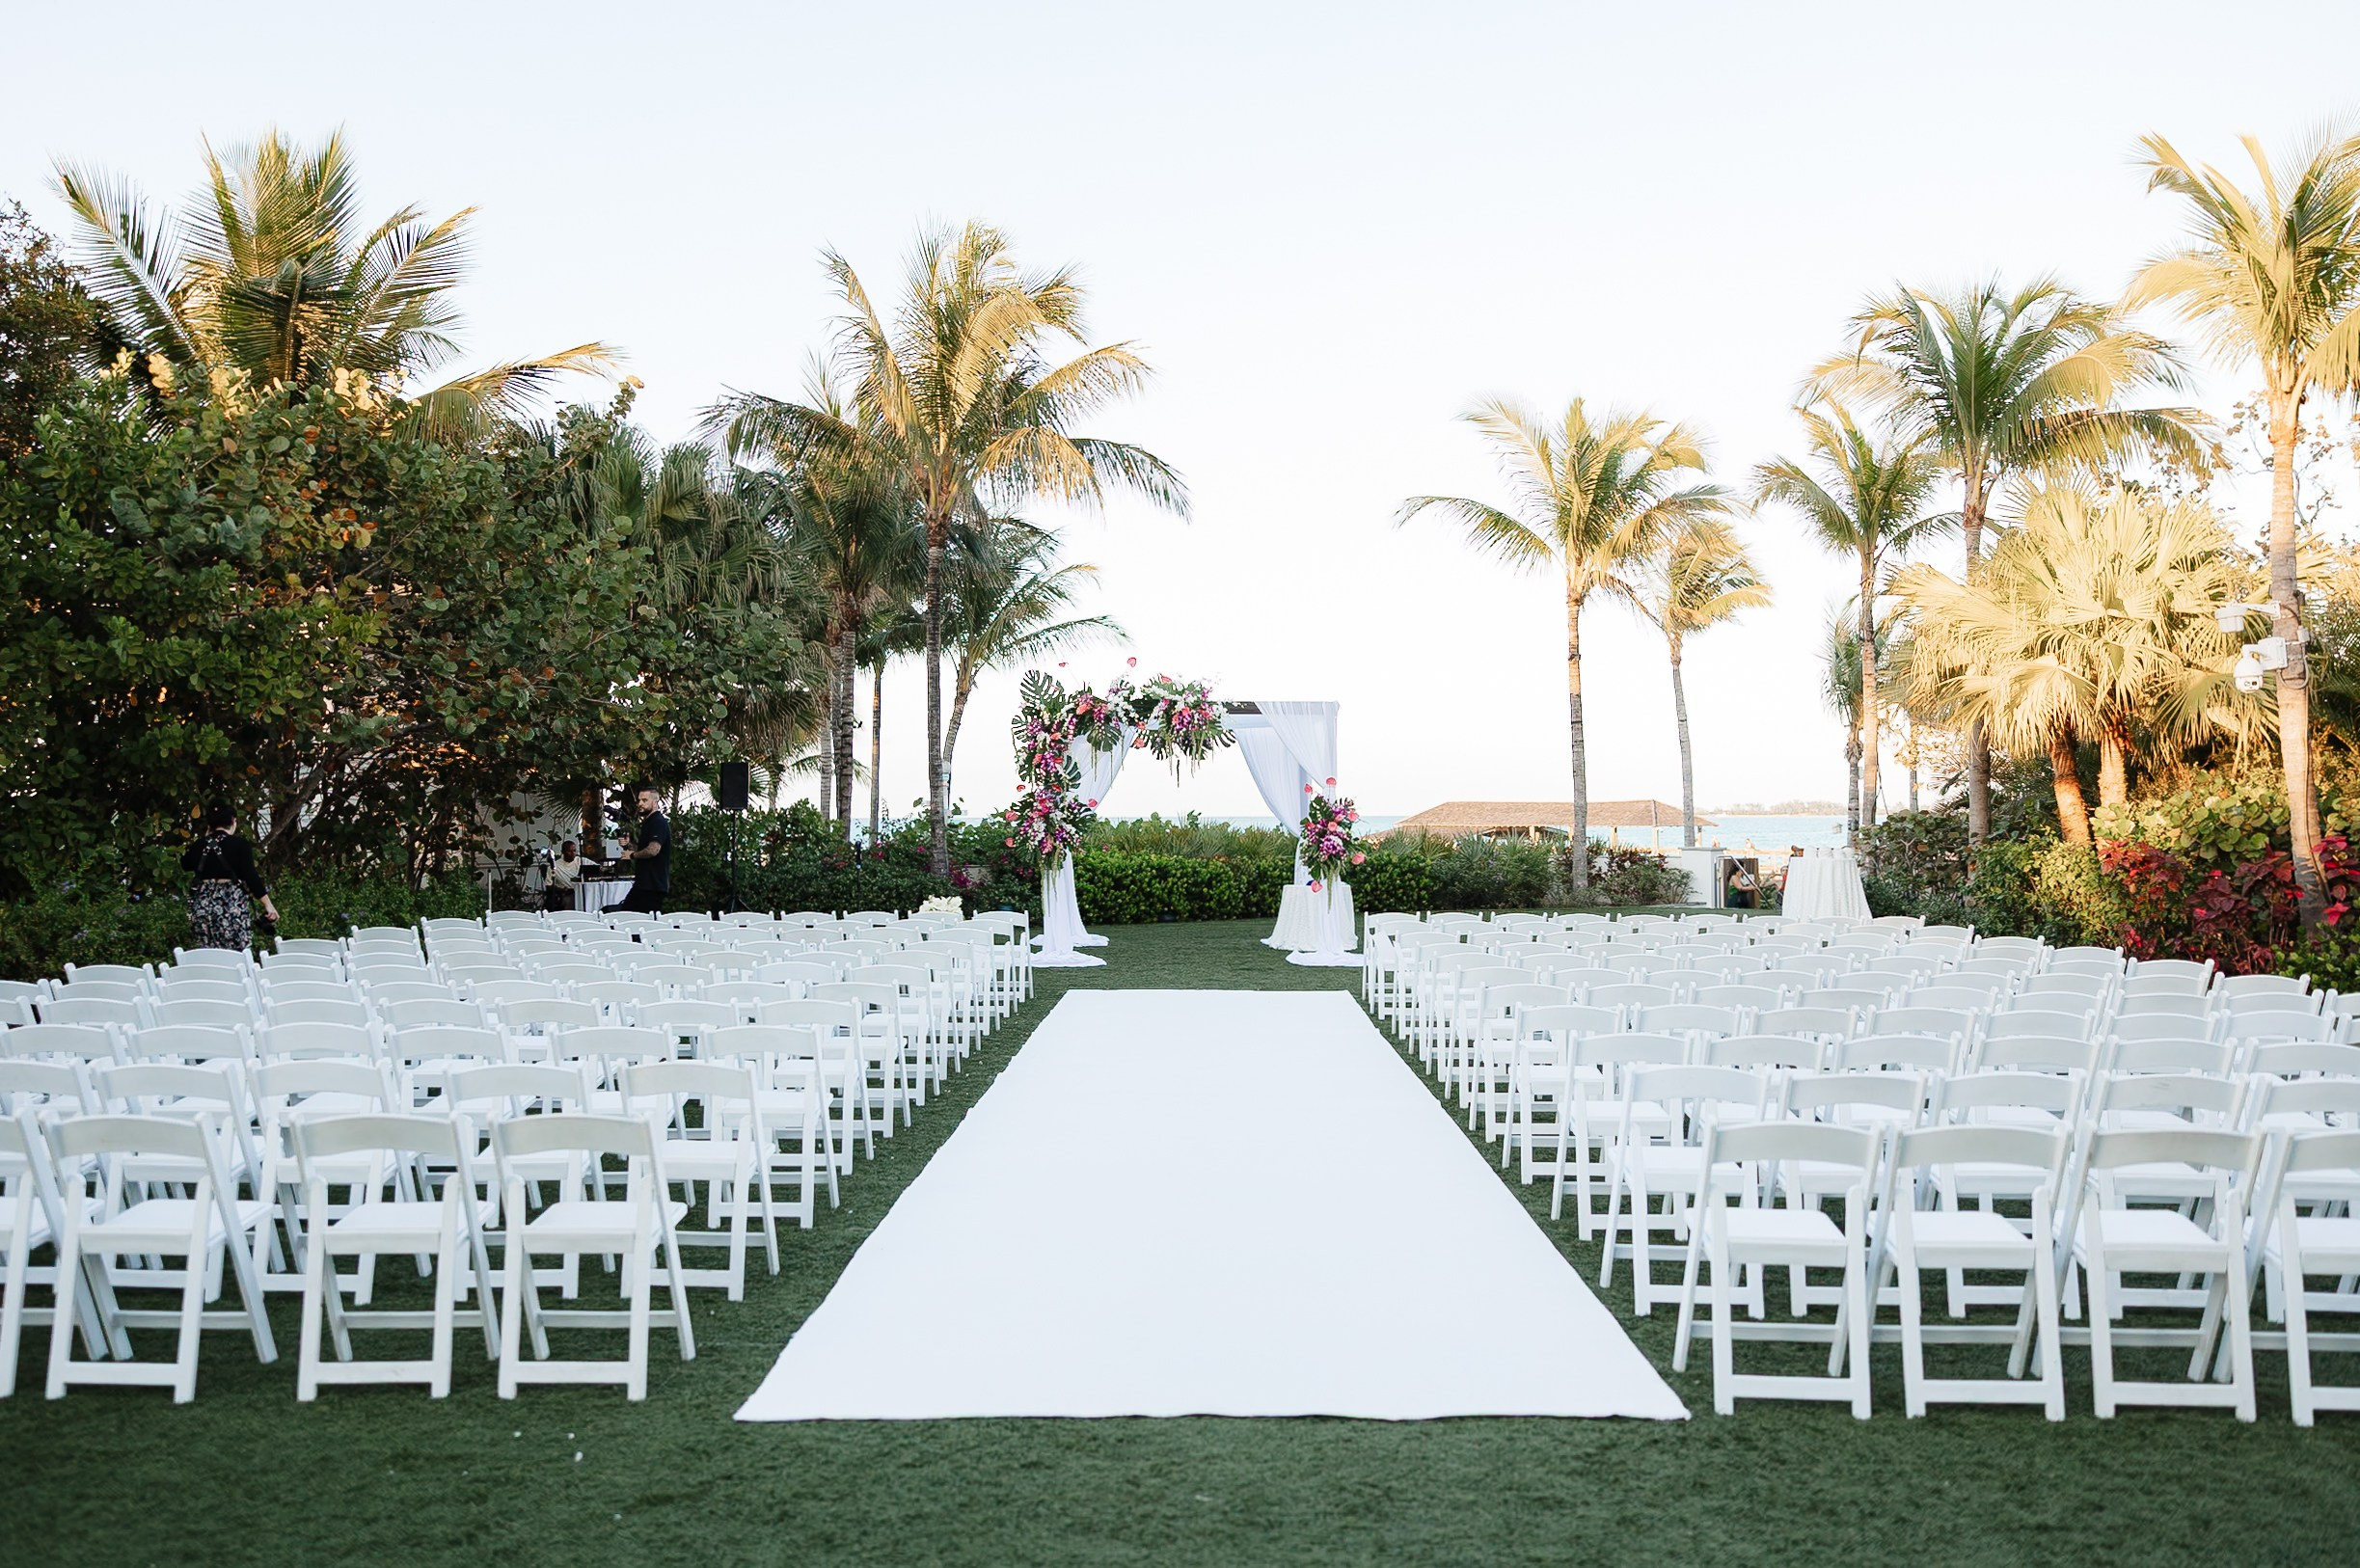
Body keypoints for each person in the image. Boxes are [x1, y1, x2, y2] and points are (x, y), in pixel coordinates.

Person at [182, 802, 279, 951]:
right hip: (231, 904)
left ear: (210, 825)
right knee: (237, 954)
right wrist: (267, 904)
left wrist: (206, 839)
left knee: (207, 952)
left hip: (203, 906)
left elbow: (186, 864)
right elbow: (250, 876)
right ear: (233, 821)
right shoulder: (240, 845)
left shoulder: (199, 845)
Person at [615, 786, 671, 914]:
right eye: (639, 800)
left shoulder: (658, 822)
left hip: (652, 886)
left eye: (645, 800)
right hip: (644, 884)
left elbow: (653, 850)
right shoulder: (649, 822)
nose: (640, 804)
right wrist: (629, 846)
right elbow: (644, 849)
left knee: (634, 919)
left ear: (655, 802)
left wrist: (632, 855)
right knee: (627, 916)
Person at [543, 839, 584, 911]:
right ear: (563, 852)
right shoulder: (554, 866)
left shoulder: (580, 861)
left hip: (583, 892)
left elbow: (598, 868)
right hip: (568, 893)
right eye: (569, 851)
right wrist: (562, 890)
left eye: (574, 851)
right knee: (569, 901)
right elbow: (548, 885)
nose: (573, 853)